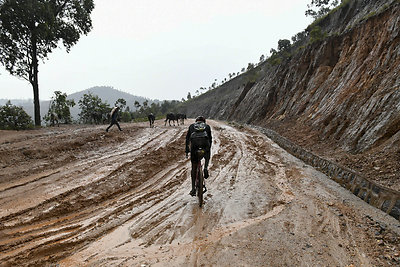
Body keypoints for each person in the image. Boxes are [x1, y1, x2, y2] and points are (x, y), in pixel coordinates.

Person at [185, 116, 212, 196]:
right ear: (204, 121)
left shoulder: (191, 126)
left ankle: (193, 188)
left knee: (194, 167)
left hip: (195, 147)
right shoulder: (207, 127)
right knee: (207, 155)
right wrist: (208, 149)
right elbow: (210, 139)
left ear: (196, 121)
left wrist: (187, 150)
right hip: (205, 145)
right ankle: (206, 168)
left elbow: (187, 139)